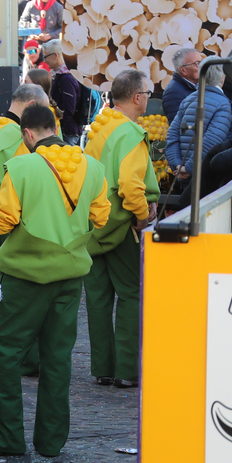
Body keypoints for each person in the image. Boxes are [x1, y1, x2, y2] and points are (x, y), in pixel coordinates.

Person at [0, 104, 112, 458]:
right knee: (57, 358)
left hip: (23, 277)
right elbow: (101, 217)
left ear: (27, 133)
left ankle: (3, 438)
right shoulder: (92, 167)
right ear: (56, 128)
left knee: (4, 354)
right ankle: (51, 441)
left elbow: (2, 222)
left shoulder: (20, 166)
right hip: (70, 276)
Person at [81, 71, 158, 389]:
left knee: (98, 298)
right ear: (138, 97)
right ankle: (127, 369)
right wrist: (141, 216)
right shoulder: (130, 132)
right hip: (122, 225)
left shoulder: (101, 127)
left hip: (93, 223)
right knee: (131, 294)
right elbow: (129, 184)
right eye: (148, 93)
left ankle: (103, 368)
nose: (148, 98)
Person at [0, 83, 49, 221]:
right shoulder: (17, 135)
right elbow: (26, 184)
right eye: (43, 111)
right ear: (30, 105)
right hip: (11, 216)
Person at [165, 67, 232, 181]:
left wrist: (177, 165)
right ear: (222, 78)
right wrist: (189, 168)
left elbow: (172, 135)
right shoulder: (223, 104)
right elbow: (212, 140)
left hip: (184, 173)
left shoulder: (188, 100)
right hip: (209, 176)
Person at [39, 41, 89, 142]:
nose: (44, 61)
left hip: (67, 132)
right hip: (68, 130)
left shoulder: (66, 78)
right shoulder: (68, 74)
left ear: (56, 55)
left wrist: (57, 126)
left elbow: (68, 109)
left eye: (46, 57)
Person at [162, 49, 200, 122]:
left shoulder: (197, 86)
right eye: (197, 64)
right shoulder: (173, 92)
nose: (201, 67)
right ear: (183, 70)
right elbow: (179, 124)